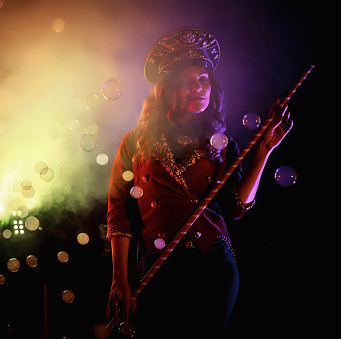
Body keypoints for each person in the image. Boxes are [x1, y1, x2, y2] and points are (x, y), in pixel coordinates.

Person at [105, 27, 292, 338]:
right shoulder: (134, 142)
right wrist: (119, 276)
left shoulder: (223, 143)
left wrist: (263, 152)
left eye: (204, 79)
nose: (199, 87)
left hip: (213, 266)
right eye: (187, 81)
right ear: (165, 89)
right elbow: (118, 210)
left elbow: (236, 207)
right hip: (156, 264)